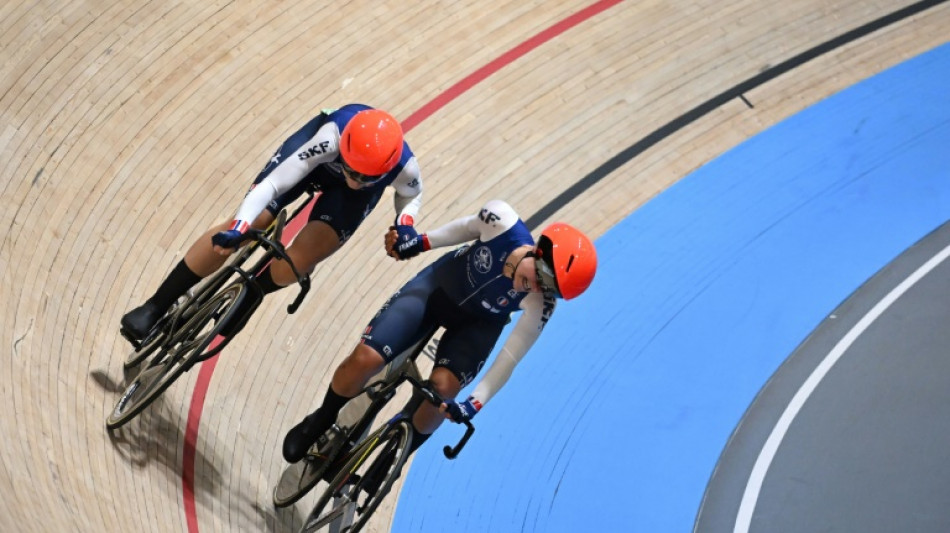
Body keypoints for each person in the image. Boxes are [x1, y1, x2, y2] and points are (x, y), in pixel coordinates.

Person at [281, 199, 597, 464]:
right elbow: (463, 229)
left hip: (477, 326)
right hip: (436, 292)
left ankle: (393, 461)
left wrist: (473, 404)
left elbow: (511, 356)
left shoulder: (541, 304)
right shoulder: (502, 222)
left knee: (443, 393)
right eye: (541, 276)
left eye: (551, 289)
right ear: (538, 251)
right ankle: (323, 417)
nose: (539, 287)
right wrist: (419, 242)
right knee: (365, 359)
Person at [120, 103, 424, 342]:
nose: (357, 181)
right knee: (251, 225)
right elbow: (272, 186)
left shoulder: (405, 167)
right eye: (353, 171)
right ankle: (155, 306)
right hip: (312, 163)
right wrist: (239, 226)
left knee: (304, 256)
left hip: (343, 198)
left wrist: (405, 223)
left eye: (366, 177)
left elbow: (411, 196)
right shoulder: (329, 137)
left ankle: (252, 293)